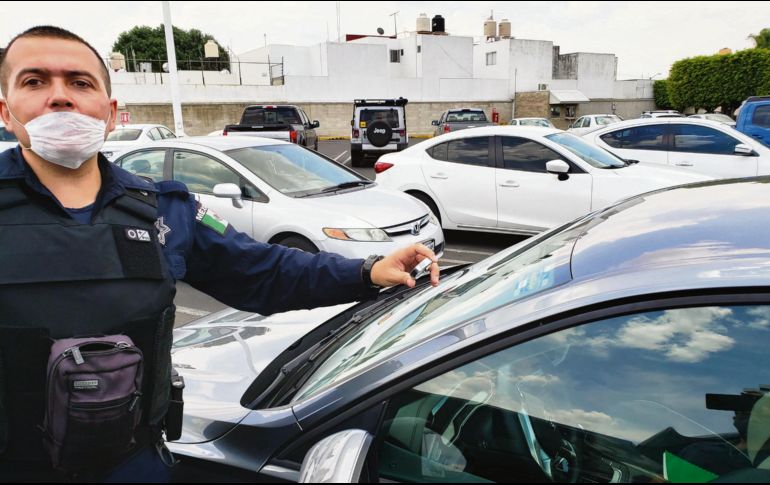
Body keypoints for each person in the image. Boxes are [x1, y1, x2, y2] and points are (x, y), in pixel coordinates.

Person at [0, 26, 439, 482]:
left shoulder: (164, 210)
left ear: (110, 113)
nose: (60, 97)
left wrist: (367, 271)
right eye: (34, 82)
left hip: (133, 464)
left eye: (80, 82)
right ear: (6, 111)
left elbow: (264, 272)